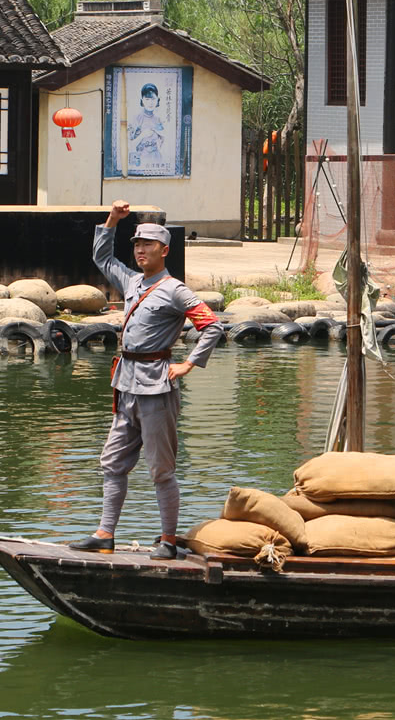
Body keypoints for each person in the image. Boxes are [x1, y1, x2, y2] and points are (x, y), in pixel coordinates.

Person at [68, 202, 224, 559]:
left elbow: (212, 325)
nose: (139, 250)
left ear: (164, 250)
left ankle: (168, 541)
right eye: (136, 244)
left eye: (147, 245)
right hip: (126, 385)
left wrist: (189, 364)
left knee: (161, 469)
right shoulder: (133, 281)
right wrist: (112, 221)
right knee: (112, 461)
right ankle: (105, 534)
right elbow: (103, 258)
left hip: (157, 387)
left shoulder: (176, 290)